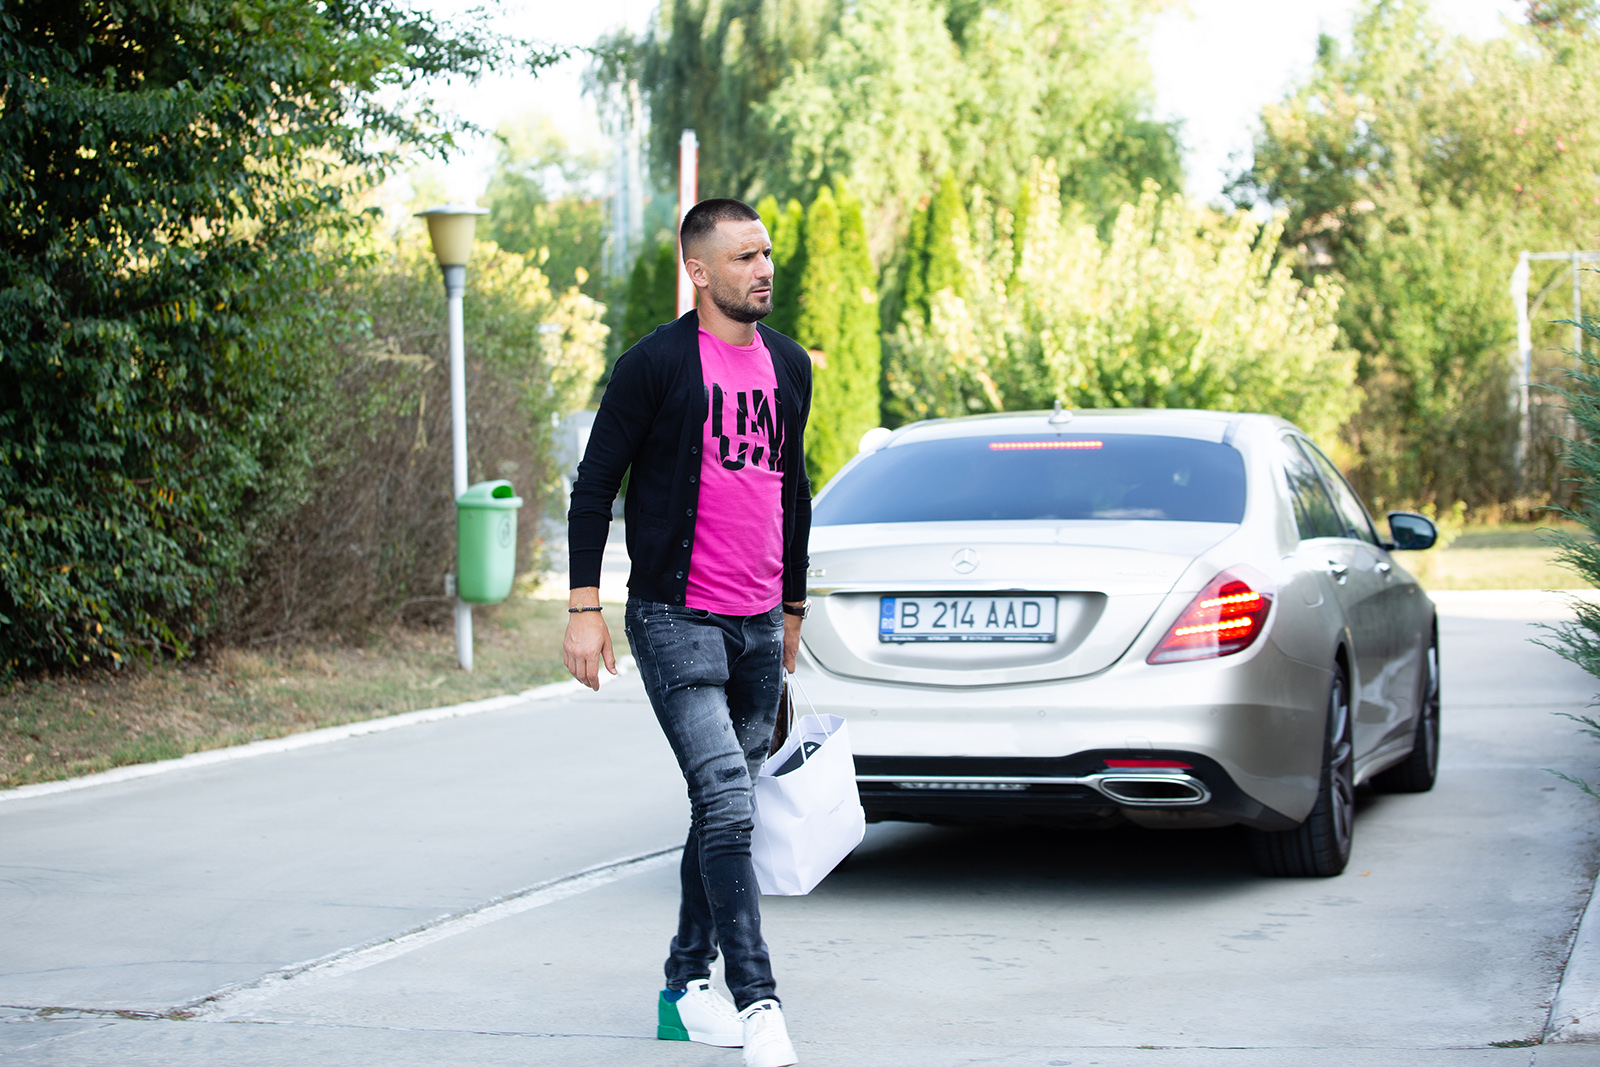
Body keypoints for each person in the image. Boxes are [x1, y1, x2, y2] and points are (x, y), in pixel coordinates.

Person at [562, 197, 811, 1067]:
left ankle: (684, 986)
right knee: (729, 798)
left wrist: (792, 609)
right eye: (743, 257)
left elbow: (792, 490)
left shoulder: (788, 364)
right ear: (699, 271)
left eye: (766, 253)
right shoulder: (655, 365)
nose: (762, 269)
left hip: (757, 621)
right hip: (675, 617)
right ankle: (759, 1001)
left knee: (722, 809)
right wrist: (584, 607)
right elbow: (595, 487)